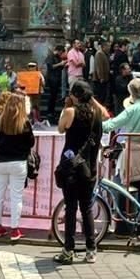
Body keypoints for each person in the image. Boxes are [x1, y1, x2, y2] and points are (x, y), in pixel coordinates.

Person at [54, 82, 104, 265]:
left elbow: (60, 128)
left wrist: (68, 105)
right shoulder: (96, 113)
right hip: (89, 167)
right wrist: (91, 99)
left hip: (71, 166)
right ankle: (91, 250)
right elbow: (106, 114)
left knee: (71, 208)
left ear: (74, 95)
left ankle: (69, 250)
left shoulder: (70, 112)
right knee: (87, 208)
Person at [102, 78, 140, 194]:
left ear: (131, 93)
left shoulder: (131, 110)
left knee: (132, 193)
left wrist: (95, 123)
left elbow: (110, 125)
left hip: (134, 156)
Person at [0, 92, 35, 241]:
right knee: (16, 197)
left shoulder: (0, 122)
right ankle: (15, 229)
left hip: (0, 161)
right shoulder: (24, 123)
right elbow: (31, 143)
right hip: (18, 162)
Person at [44, 45, 67, 123]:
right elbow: (51, 67)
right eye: (61, 52)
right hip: (52, 79)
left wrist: (63, 65)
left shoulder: (58, 57)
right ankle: (49, 112)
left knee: (54, 96)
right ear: (59, 50)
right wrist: (60, 64)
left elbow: (59, 67)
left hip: (57, 78)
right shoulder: (51, 56)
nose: (61, 54)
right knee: (52, 96)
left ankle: (52, 111)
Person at [91, 40, 111, 106]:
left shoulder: (105, 54)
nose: (109, 48)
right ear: (104, 46)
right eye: (108, 46)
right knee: (100, 97)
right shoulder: (99, 53)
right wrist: (101, 77)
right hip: (100, 80)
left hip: (104, 79)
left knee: (103, 96)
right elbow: (99, 66)